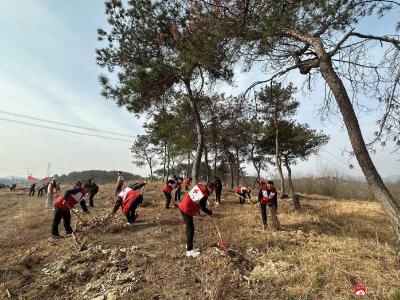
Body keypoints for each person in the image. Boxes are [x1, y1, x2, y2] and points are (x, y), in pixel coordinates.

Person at [179, 182, 214, 257]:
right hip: (186, 208)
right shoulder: (204, 196)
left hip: (184, 205)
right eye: (213, 190)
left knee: (190, 227)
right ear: (209, 188)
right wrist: (210, 213)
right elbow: (203, 208)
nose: (213, 191)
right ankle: (189, 250)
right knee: (190, 229)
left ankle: (189, 244)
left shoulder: (200, 185)